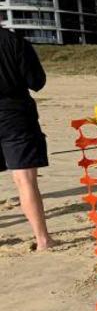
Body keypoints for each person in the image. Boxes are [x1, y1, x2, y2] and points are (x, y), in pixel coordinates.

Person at [0, 28, 55, 250]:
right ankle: (43, 239)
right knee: (25, 179)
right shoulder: (14, 41)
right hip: (14, 113)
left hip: (13, 112)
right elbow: (37, 81)